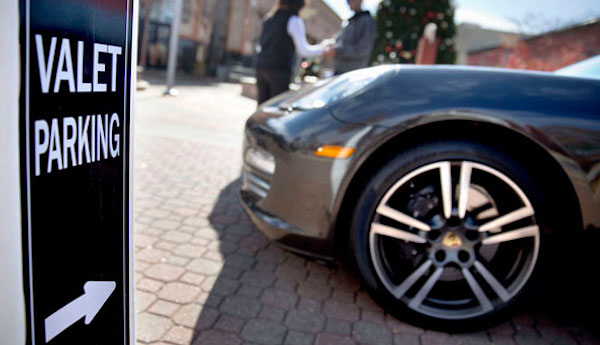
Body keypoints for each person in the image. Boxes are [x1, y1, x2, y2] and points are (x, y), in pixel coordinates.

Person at [255, 0, 325, 105]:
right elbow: (303, 50)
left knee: (261, 107)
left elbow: (260, 45)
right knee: (275, 108)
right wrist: (323, 49)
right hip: (279, 70)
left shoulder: (268, 19)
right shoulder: (294, 20)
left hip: (261, 67)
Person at [324, 0, 375, 75]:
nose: (348, 3)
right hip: (338, 69)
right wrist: (329, 43)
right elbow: (339, 39)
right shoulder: (348, 22)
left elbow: (364, 49)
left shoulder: (366, 21)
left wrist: (337, 51)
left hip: (352, 73)